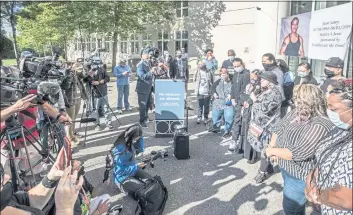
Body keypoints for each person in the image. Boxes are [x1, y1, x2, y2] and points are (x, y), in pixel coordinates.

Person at [265, 84, 333, 214]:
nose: (294, 100)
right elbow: (278, 127)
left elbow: (296, 153)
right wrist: (272, 145)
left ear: (308, 101)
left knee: (291, 208)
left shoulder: (320, 124)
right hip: (286, 167)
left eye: (298, 98)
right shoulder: (298, 111)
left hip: (300, 175)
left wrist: (271, 151)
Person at [305, 79, 352, 214]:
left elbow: (347, 199)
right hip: (324, 205)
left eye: (333, 108)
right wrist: (311, 179)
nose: (329, 112)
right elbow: (323, 156)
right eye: (328, 107)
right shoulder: (341, 128)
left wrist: (318, 195)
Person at [0, 148, 80, 215]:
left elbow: (27, 200)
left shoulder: (5, 204)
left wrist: (50, 179)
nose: (7, 177)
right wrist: (65, 209)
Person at [247, 71, 282, 183]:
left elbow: (264, 110)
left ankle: (261, 173)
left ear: (270, 82)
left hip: (269, 128)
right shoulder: (267, 91)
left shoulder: (274, 94)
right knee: (263, 148)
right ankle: (269, 167)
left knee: (265, 149)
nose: (260, 80)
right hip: (261, 126)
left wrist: (254, 100)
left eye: (263, 79)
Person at [111, 124, 152, 196]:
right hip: (122, 177)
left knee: (151, 182)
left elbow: (141, 148)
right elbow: (120, 170)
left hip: (132, 169)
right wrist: (136, 166)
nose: (136, 140)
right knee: (143, 191)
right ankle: (120, 187)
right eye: (136, 139)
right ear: (131, 136)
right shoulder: (120, 149)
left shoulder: (129, 140)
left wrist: (140, 138)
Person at [230, 69, 261, 158]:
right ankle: (242, 148)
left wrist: (248, 101)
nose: (251, 78)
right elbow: (242, 94)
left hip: (251, 110)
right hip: (243, 107)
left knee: (249, 129)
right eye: (251, 76)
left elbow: (254, 97)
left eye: (254, 76)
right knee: (242, 128)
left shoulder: (258, 87)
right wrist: (243, 101)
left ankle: (250, 153)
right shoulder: (248, 85)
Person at [64, 61, 85, 145]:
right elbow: (66, 86)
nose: (80, 70)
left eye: (81, 69)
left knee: (74, 118)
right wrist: (70, 75)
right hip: (70, 100)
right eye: (78, 69)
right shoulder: (68, 74)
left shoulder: (78, 75)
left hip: (78, 98)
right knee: (70, 119)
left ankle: (72, 134)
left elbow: (85, 76)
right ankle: (70, 138)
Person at [209, 69, 234, 137]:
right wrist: (214, 93)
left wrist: (231, 94)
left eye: (224, 74)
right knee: (216, 115)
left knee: (229, 116)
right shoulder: (218, 81)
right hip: (218, 101)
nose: (222, 76)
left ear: (227, 74)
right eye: (221, 75)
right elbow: (212, 88)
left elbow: (235, 89)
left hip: (228, 102)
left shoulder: (232, 82)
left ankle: (227, 130)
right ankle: (216, 127)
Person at [89, 58, 113, 130]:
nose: (97, 65)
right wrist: (91, 74)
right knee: (95, 110)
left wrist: (100, 82)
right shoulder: (89, 71)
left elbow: (107, 78)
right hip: (95, 94)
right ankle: (97, 124)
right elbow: (86, 80)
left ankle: (108, 122)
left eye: (98, 64)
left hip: (104, 92)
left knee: (106, 108)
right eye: (95, 64)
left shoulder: (102, 69)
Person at [136, 48, 154, 128]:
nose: (148, 59)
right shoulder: (140, 65)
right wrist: (151, 72)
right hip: (142, 89)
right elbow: (142, 76)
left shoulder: (148, 64)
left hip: (148, 88)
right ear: (142, 57)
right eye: (147, 58)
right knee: (142, 106)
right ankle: (141, 121)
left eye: (149, 58)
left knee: (147, 104)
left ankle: (146, 117)